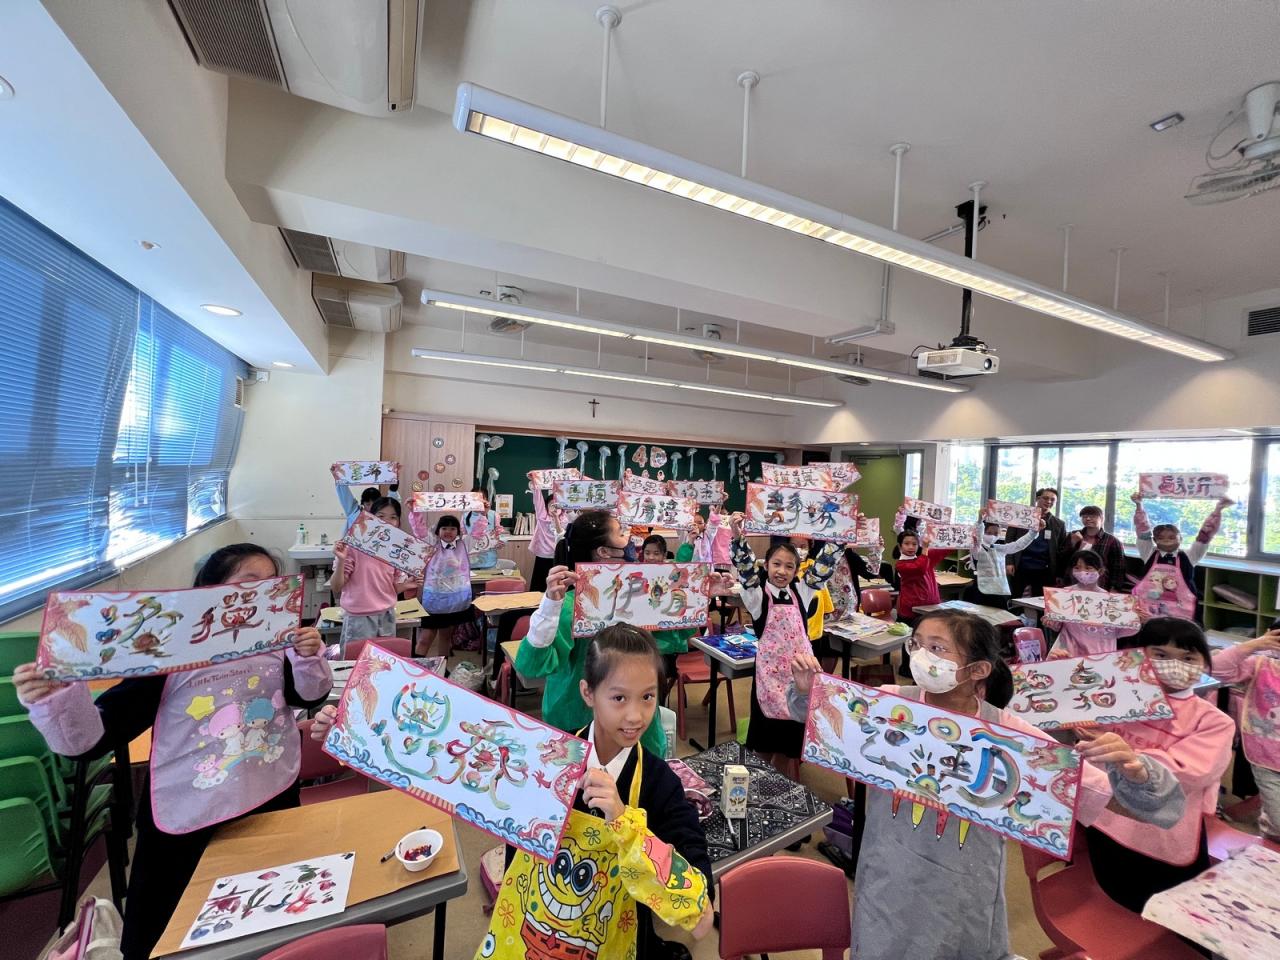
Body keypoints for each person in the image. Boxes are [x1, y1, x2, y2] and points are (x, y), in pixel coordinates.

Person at [785, 609, 1186, 960]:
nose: (921, 656)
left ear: (977, 670)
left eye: (938, 649)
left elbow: (1102, 797)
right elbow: (829, 727)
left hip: (965, 889)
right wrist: (809, 694)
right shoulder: (890, 704)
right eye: (917, 644)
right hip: (887, 880)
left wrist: (1137, 774)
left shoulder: (1011, 736)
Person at [311, 625, 715, 959]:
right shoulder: (542, 755)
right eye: (619, 697)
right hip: (527, 934)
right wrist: (351, 728)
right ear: (588, 693)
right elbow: (437, 753)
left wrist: (625, 822)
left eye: (648, 697)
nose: (636, 715)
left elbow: (700, 909)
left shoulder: (660, 783)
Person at [13, 544, 333, 960]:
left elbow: (305, 695)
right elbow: (97, 736)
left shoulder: (275, 645)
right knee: (163, 934)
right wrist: (58, 700)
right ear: (208, 590)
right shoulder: (170, 653)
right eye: (247, 583)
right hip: (189, 813)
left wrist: (308, 658)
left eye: (271, 583)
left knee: (271, 913)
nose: (259, 595)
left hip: (270, 794)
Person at [1084, 618, 1235, 915]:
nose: (1175, 665)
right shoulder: (1115, 701)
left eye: (1188, 657)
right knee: (1122, 902)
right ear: (1137, 657)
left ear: (1205, 663)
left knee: (1175, 911)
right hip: (1107, 823)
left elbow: (1191, 771)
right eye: (1161, 655)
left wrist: (1131, 758)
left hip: (1163, 834)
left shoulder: (1213, 721)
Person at [516, 512, 666, 755]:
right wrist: (550, 606)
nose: (629, 538)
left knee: (634, 776)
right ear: (604, 551)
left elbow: (669, 642)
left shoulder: (639, 597)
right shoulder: (571, 606)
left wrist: (698, 596)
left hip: (636, 724)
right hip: (580, 725)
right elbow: (532, 665)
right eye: (621, 533)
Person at [728, 513, 840, 777]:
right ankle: (757, 780)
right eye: (776, 564)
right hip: (769, 679)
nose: (782, 571)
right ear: (766, 565)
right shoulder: (758, 595)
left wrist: (840, 537)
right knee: (764, 739)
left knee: (790, 740)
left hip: (798, 678)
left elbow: (822, 567)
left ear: (796, 570)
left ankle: (781, 782)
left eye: (789, 566)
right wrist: (737, 535)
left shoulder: (801, 592)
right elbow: (745, 570)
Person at [1210, 628, 1280, 842]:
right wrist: (1254, 645)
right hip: (1266, 757)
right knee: (1278, 820)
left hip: (1266, 753)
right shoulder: (1261, 664)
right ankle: (1271, 834)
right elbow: (1215, 669)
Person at [1131, 492, 1232, 620]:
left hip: (1182, 612)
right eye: (1161, 537)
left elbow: (1205, 534)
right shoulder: (1149, 553)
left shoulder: (1190, 556)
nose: (1166, 540)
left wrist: (1218, 510)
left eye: (1172, 537)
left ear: (1181, 538)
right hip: (1149, 609)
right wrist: (1139, 505)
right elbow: (1142, 530)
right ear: (1155, 540)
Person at [329, 497, 412, 652]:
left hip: (386, 615)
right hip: (359, 618)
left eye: (393, 517)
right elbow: (336, 587)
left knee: (382, 661)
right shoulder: (354, 545)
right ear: (370, 518)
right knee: (356, 662)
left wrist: (406, 585)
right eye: (381, 516)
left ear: (398, 522)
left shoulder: (396, 550)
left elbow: (390, 588)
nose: (387, 521)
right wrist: (341, 561)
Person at [1045, 549, 1140, 657]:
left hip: (1101, 653)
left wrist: (1135, 618)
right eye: (1077, 568)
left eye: (1088, 568)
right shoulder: (1064, 594)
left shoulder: (1110, 600)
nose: (1082, 572)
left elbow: (1119, 632)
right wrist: (1050, 621)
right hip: (1070, 652)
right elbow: (1057, 625)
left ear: (1101, 571)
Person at [406, 512, 474, 658]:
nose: (448, 531)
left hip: (455, 601)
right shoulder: (431, 544)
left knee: (446, 636)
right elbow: (420, 530)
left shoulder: (464, 545)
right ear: (437, 531)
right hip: (435, 600)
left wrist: (481, 514)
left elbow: (478, 534)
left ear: (458, 531)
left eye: (452, 528)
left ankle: (443, 667)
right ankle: (416, 667)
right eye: (444, 528)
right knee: (425, 638)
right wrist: (415, 512)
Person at [964, 508, 1042, 606]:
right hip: (982, 590)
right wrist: (980, 521)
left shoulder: (999, 548)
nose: (992, 536)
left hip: (1000, 590)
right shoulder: (977, 549)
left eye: (996, 534)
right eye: (989, 533)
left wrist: (1033, 532)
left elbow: (1018, 545)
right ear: (983, 532)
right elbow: (978, 539)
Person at [1006, 488, 1067, 598]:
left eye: (1052, 500)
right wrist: (1009, 562)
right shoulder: (1020, 516)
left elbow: (1061, 550)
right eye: (1046, 498)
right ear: (1038, 498)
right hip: (1020, 565)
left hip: (1044, 569)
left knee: (1039, 600)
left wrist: (1059, 573)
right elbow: (1009, 540)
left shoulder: (1059, 524)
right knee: (1014, 597)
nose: (1049, 502)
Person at [1061, 505, 1129, 592]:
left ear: (1102, 518)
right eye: (1084, 516)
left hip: (1100, 585)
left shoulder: (1112, 541)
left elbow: (1118, 568)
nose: (1088, 519)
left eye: (1092, 516)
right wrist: (1073, 543)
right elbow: (1063, 558)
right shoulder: (1074, 535)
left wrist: (1114, 588)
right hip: (1072, 582)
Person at [892, 527, 951, 624]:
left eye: (914, 544)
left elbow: (943, 550)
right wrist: (925, 548)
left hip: (931, 608)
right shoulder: (901, 565)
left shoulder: (924, 557)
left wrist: (962, 540)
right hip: (912, 612)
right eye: (906, 544)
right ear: (900, 546)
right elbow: (920, 569)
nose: (911, 547)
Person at [527, 476, 569, 593]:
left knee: (556, 584)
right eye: (551, 505)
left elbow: (561, 533)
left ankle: (556, 600)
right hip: (543, 556)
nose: (555, 508)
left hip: (558, 556)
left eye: (557, 505)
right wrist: (535, 482)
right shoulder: (542, 518)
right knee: (540, 584)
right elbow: (538, 502)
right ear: (546, 507)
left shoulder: (565, 520)